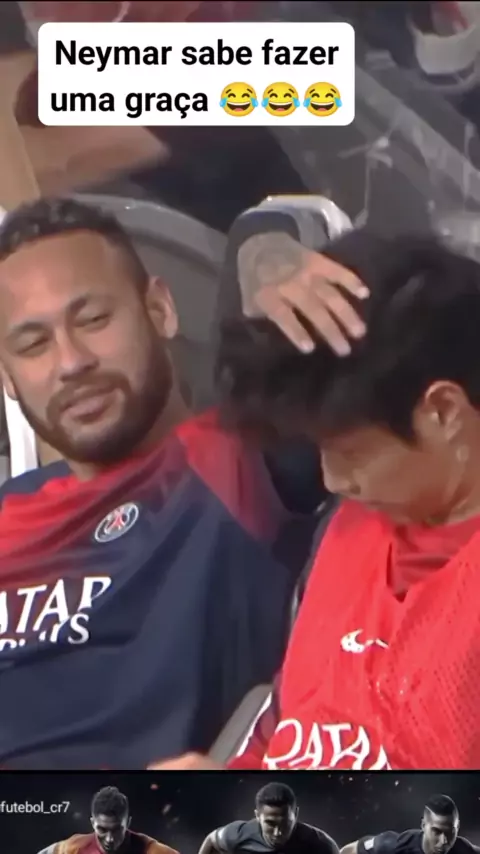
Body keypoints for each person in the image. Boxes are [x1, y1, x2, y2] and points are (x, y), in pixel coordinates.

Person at [0, 198, 365, 769]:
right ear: (8, 377)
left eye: (94, 320)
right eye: (32, 345)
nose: (71, 363)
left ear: (161, 309)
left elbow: (279, 233)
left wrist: (265, 256)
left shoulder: (234, 458)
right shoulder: (10, 510)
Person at [150, 228, 480, 770]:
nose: (331, 479)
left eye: (351, 453)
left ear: (443, 412)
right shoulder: (350, 529)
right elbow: (288, 730)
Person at [198, 782, 339, 854]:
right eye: (270, 823)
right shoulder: (239, 834)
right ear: (257, 816)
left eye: (285, 824)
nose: (278, 832)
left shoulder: (320, 845)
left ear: (295, 814)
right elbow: (212, 839)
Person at [37, 785, 177, 853]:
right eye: (102, 829)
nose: (109, 839)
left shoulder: (151, 850)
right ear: (93, 823)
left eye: (116, 830)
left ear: (127, 823)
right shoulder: (75, 847)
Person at [341, 794, 479, 854]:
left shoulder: (464, 849)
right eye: (437, 832)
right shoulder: (392, 846)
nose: (444, 841)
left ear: (457, 827)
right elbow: (349, 850)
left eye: (450, 832)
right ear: (423, 826)